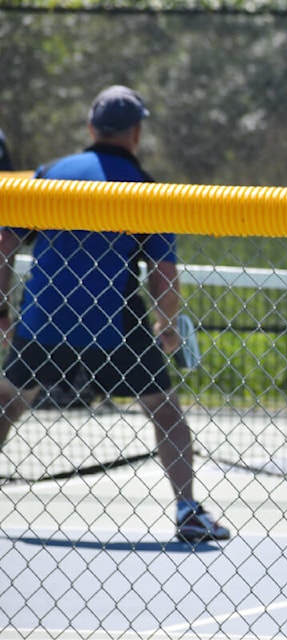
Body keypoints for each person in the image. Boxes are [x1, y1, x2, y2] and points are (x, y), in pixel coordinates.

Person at [0, 85, 230, 543]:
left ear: (90, 128)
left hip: (43, 318)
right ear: (137, 133)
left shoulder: (49, 174)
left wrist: (1, 307)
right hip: (115, 328)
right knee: (164, 411)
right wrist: (166, 326)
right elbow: (162, 273)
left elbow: (4, 242)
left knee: (7, 401)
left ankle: (188, 510)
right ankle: (187, 509)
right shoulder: (147, 191)